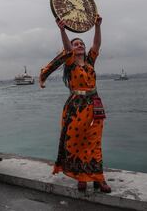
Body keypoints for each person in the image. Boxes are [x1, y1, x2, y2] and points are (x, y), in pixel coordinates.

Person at [39, 15, 111, 193]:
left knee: (94, 142)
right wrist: (62, 30)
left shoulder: (90, 62)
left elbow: (97, 45)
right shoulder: (70, 62)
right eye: (76, 44)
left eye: (82, 44)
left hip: (94, 105)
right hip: (76, 108)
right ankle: (82, 177)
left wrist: (97, 26)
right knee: (76, 143)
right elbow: (66, 47)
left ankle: (99, 178)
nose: (80, 45)